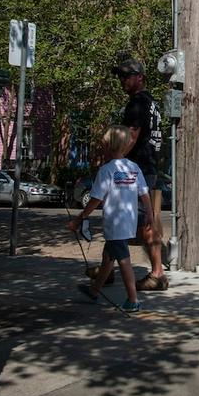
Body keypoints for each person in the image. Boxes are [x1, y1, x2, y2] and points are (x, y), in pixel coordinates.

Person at [68, 125, 149, 313]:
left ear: (110, 146)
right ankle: (95, 290)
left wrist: (79, 219)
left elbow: (95, 199)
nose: (101, 148)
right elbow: (144, 193)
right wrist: (150, 215)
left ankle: (133, 300)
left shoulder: (106, 170)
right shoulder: (133, 168)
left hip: (115, 224)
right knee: (108, 258)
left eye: (103, 145)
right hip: (128, 221)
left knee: (124, 261)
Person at [111, 57, 168, 291]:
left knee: (138, 223)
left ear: (140, 77)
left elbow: (131, 136)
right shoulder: (151, 103)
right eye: (121, 76)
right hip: (148, 168)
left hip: (136, 170)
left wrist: (114, 162)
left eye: (127, 75)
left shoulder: (137, 103)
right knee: (120, 219)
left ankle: (157, 273)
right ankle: (106, 269)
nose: (122, 80)